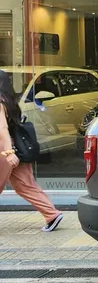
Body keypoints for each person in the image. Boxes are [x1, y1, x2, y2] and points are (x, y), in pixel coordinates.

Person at [0, 70, 63, 231]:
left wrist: (8, 152)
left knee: (25, 185)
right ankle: (52, 214)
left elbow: (2, 128)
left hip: (5, 149)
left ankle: (52, 214)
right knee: (26, 185)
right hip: (16, 148)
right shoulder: (10, 101)